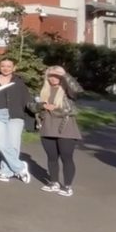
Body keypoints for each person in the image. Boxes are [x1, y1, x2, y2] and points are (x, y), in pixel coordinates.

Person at [35, 66, 83, 197]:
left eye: (57, 76)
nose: (54, 78)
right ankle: (53, 182)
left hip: (66, 127)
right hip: (47, 127)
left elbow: (78, 90)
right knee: (52, 158)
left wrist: (65, 74)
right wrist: (42, 105)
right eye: (51, 75)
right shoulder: (44, 91)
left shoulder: (67, 91)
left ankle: (67, 186)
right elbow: (32, 105)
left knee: (66, 157)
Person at [0, 58, 33, 183]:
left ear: (14, 68)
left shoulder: (19, 82)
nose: (6, 68)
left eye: (9, 66)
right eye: (3, 66)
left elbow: (26, 100)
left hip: (15, 115)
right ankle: (20, 167)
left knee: (13, 145)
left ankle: (6, 171)